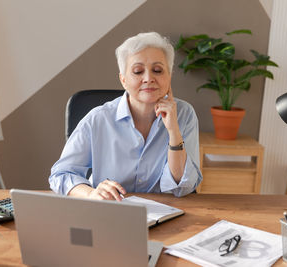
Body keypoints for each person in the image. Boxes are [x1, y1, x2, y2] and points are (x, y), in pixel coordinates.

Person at [49, 32, 202, 201]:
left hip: (165, 213)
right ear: (123, 80)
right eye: (138, 71)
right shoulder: (98, 119)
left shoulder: (184, 114)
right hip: (110, 211)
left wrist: (174, 132)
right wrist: (91, 193)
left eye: (157, 70)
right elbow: (61, 175)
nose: (148, 78)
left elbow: (183, 187)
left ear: (169, 75)